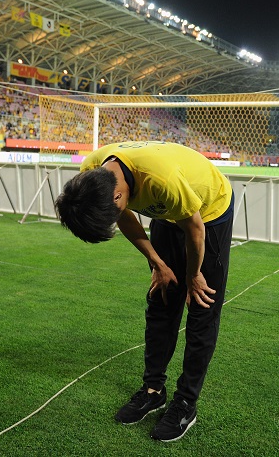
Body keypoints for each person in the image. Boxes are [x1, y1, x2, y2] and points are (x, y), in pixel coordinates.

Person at [54, 140, 234, 442]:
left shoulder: (161, 181)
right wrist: (157, 262)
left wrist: (193, 275)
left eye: (114, 209)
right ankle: (154, 390)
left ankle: (186, 403)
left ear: (118, 194)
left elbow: (195, 228)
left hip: (208, 211)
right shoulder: (91, 174)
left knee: (202, 304)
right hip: (168, 211)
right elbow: (123, 215)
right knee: (162, 297)